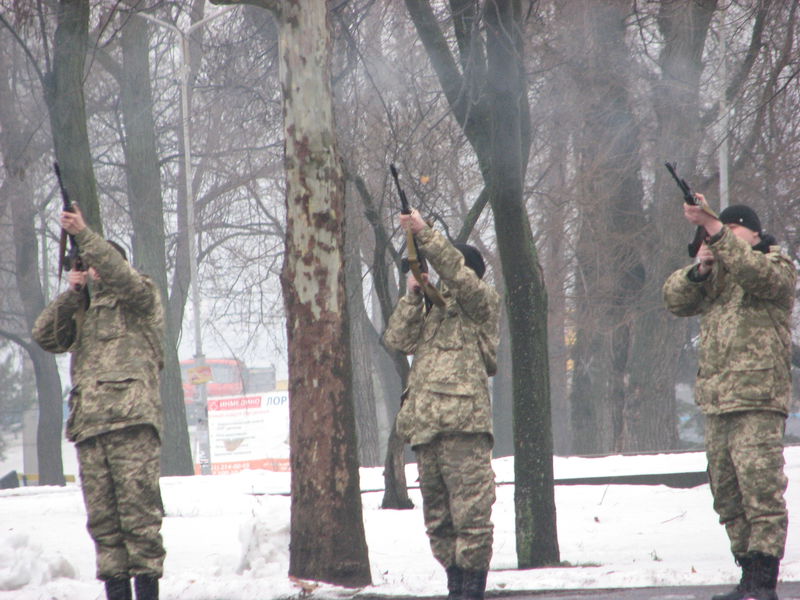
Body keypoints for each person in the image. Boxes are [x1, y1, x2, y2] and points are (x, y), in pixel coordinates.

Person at [663, 198, 795, 600]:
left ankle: (762, 583)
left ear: (754, 234)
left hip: (757, 398)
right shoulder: (716, 276)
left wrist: (716, 230)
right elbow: (674, 299)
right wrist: (700, 269)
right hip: (719, 402)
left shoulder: (777, 266)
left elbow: (755, 274)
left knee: (761, 491)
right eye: (720, 232)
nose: (723, 239)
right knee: (727, 494)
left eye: (734, 231)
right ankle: (746, 574)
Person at [32, 205, 166, 600]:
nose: (93, 271)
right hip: (91, 430)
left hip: (131, 426)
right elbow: (46, 336)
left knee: (140, 523)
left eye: (96, 264)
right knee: (105, 527)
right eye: (88, 266)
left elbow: (122, 277)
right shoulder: (84, 312)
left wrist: (87, 236)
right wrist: (72, 294)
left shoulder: (140, 299)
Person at [383, 208, 500, 600]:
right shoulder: (433, 313)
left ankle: (471, 590)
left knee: (472, 517)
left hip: (464, 429)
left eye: (452, 272)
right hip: (426, 431)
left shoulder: (479, 306)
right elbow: (397, 341)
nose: (446, 280)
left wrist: (425, 234)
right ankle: (455, 584)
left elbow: (457, 275)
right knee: (439, 521)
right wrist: (414, 296)